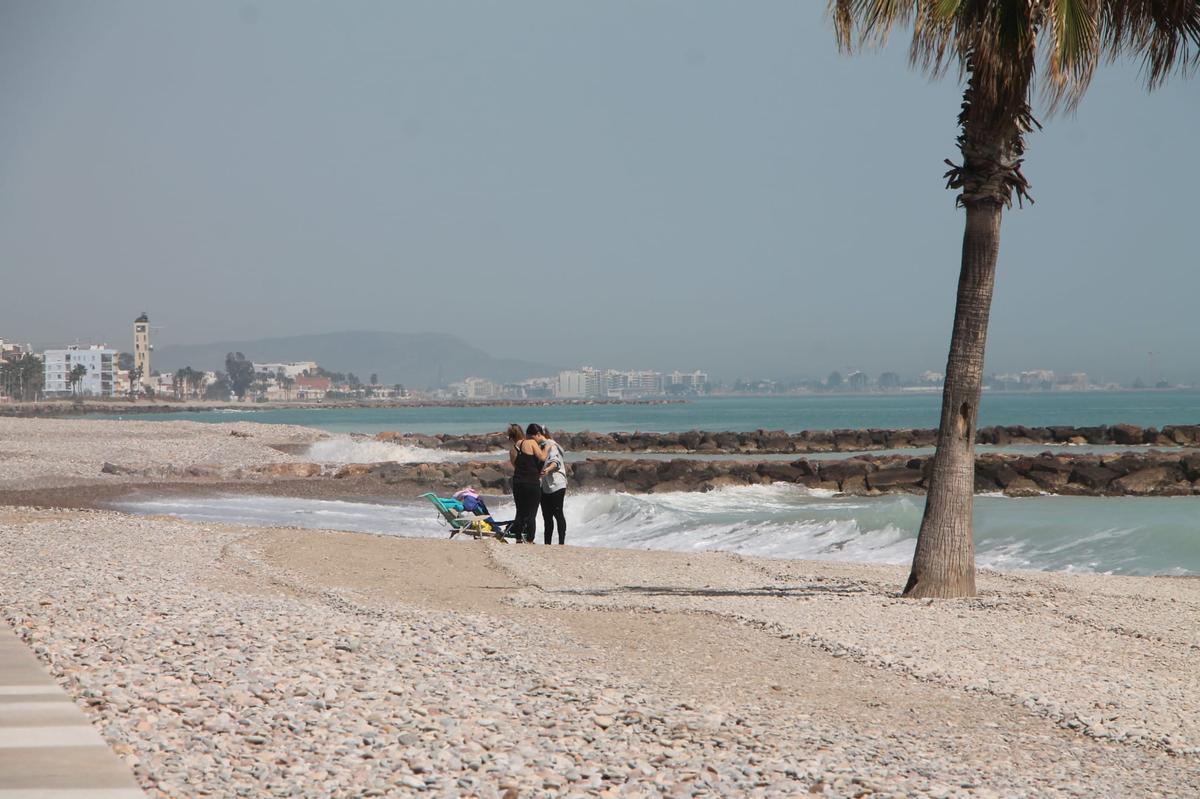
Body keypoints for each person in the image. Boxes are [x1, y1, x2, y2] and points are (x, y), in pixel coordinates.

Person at [507, 423, 543, 543]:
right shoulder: (530, 442)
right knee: (531, 513)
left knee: (520, 512)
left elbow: (515, 466)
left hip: (518, 482)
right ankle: (530, 540)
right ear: (522, 432)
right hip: (532, 482)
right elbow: (541, 457)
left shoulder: (512, 450)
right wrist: (548, 446)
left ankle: (518, 539)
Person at [535, 424, 568, 545]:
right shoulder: (539, 446)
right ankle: (547, 543)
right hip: (544, 485)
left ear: (539, 435)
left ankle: (561, 543)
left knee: (558, 513)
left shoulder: (551, 445)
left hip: (557, 484)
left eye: (533, 437)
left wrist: (547, 470)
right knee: (546, 516)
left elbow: (555, 462)